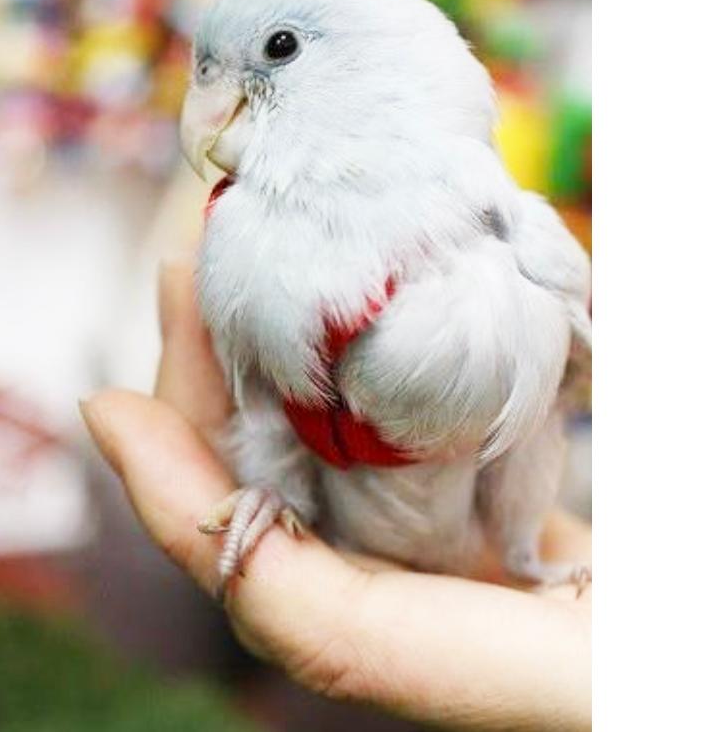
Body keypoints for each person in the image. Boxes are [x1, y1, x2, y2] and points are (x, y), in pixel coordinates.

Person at [80, 260, 591, 731]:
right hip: (327, 518)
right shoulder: (279, 282)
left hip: (472, 536)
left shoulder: (498, 270)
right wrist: (272, 491)